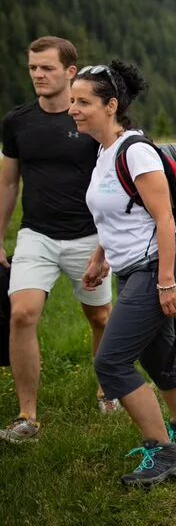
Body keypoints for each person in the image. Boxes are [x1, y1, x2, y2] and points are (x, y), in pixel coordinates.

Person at [68, 61, 176, 487]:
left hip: (156, 268)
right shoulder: (105, 152)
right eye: (73, 100)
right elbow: (117, 218)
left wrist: (166, 281)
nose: (73, 108)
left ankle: (163, 453)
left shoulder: (136, 151)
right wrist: (99, 257)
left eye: (83, 101)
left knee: (110, 364)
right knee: (157, 355)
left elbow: (164, 220)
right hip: (131, 268)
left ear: (111, 106)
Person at [0, 37, 118, 444]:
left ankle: (107, 389)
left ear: (70, 72)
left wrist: (108, 245)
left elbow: (113, 179)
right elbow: (8, 182)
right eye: (32, 67)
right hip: (37, 235)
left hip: (89, 236)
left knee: (100, 318)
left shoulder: (88, 119)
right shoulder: (18, 122)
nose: (37, 74)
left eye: (46, 68)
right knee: (22, 314)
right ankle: (27, 417)